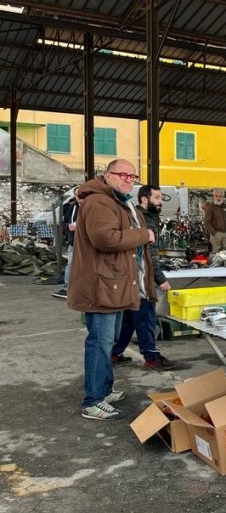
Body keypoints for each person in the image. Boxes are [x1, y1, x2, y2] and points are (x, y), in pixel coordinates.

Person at [68, 159, 155, 421]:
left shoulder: (115, 201)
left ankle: (104, 391)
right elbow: (106, 238)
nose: (129, 179)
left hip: (113, 284)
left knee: (108, 342)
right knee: (99, 344)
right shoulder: (99, 201)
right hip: (101, 286)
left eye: (133, 176)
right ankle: (93, 401)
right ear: (107, 176)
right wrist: (144, 235)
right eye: (122, 174)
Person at [110, 185, 178, 372]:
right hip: (140, 277)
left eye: (161, 198)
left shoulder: (145, 216)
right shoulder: (142, 219)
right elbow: (150, 254)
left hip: (133, 276)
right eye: (157, 198)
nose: (161, 201)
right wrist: (160, 279)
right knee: (146, 318)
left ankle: (114, 354)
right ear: (144, 199)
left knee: (130, 319)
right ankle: (151, 357)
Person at [53, 187, 81, 299]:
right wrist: (68, 226)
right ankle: (67, 288)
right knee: (70, 264)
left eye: (80, 195)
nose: (78, 198)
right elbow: (64, 222)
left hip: (88, 242)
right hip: (73, 240)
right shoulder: (72, 207)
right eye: (77, 195)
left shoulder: (92, 207)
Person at [203, 188, 226, 253]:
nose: (218, 198)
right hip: (216, 234)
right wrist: (213, 232)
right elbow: (206, 221)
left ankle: (224, 263)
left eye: (220, 196)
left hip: (225, 234)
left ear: (223, 197)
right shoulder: (211, 207)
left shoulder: (225, 207)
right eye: (216, 196)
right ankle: (214, 263)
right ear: (214, 196)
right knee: (215, 252)